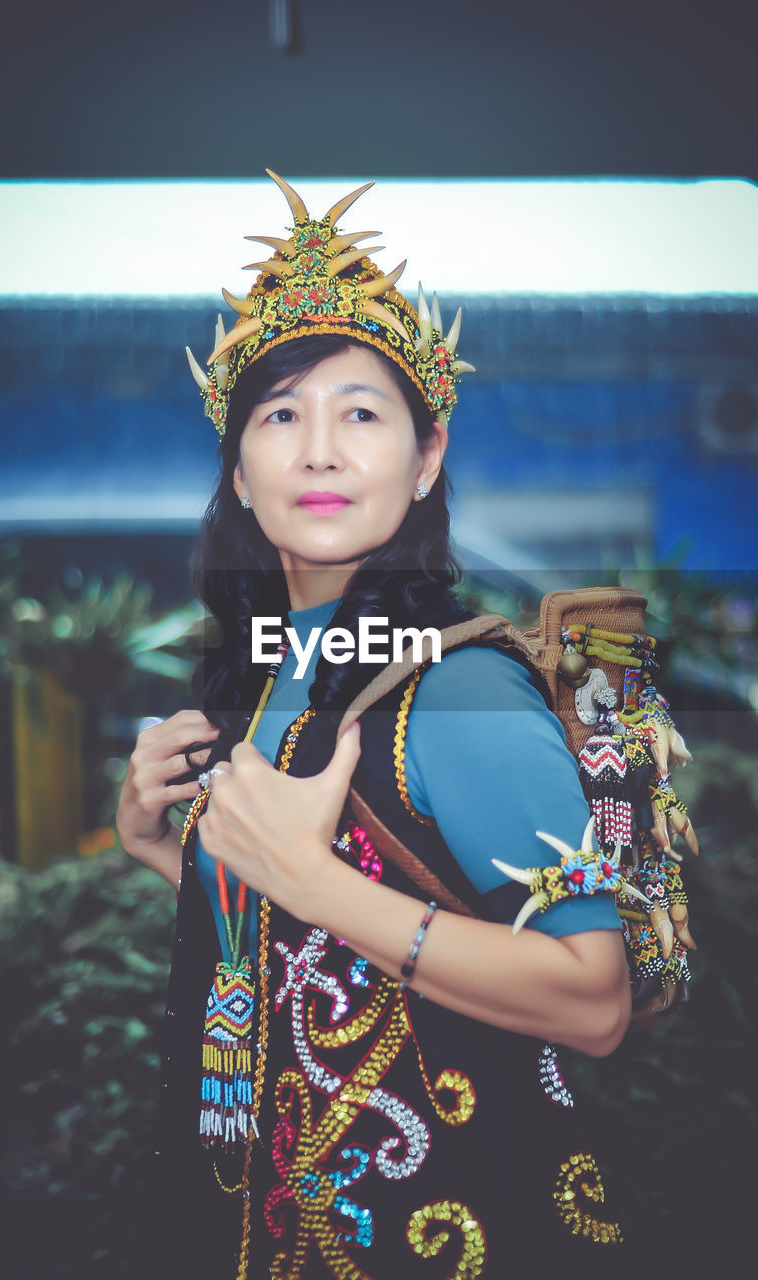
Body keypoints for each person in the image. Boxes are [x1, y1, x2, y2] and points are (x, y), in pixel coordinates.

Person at [117, 172, 631, 1279]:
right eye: (279, 415)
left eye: (361, 412)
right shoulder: (266, 678)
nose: (320, 448)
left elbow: (592, 996)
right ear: (242, 477)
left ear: (427, 456)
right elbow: (313, 952)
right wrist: (179, 857)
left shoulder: (459, 689)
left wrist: (308, 881)